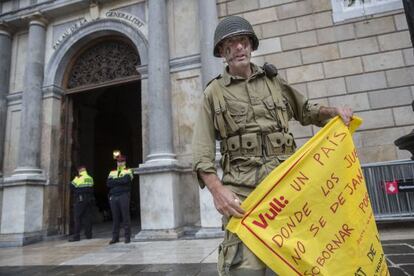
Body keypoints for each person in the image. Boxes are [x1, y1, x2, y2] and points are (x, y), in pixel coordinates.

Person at [192, 15, 353, 275]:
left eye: (243, 41)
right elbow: (201, 150)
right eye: (231, 44)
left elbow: (306, 110)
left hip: (287, 184)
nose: (239, 48)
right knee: (245, 268)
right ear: (222, 52)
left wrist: (332, 112)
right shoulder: (213, 93)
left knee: (301, 261)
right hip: (243, 193)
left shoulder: (274, 81)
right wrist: (216, 189)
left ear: (252, 46)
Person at [107, 152, 134, 244]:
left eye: (122, 161)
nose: (120, 163)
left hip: (124, 195)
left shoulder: (128, 170)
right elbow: (108, 183)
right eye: (118, 161)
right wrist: (120, 181)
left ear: (125, 162)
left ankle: (127, 237)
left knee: (125, 216)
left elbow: (126, 181)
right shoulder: (112, 172)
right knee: (115, 218)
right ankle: (115, 238)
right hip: (113, 196)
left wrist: (115, 181)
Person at [68, 166, 94, 242]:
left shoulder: (79, 177)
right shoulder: (90, 178)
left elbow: (71, 186)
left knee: (77, 217)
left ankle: (76, 236)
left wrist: (77, 190)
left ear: (80, 170)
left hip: (80, 199)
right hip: (89, 200)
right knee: (87, 217)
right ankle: (89, 235)